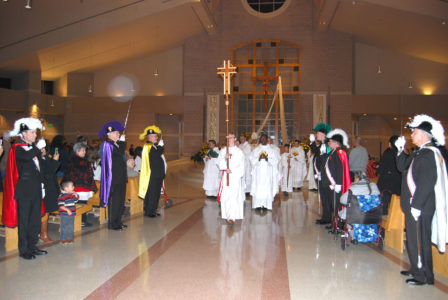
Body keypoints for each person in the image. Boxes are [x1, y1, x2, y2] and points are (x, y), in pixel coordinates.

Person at [396, 114, 448, 286]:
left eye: (415, 132)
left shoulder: (428, 154)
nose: (411, 135)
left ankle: (425, 276)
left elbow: (427, 181)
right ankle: (415, 269)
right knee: (413, 238)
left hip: (421, 206)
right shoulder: (419, 152)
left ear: (424, 134)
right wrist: (399, 150)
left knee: (421, 240)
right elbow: (402, 167)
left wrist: (416, 206)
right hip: (414, 204)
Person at [2, 117, 47, 259]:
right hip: (24, 190)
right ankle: (24, 249)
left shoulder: (33, 148)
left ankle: (32, 246)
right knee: (24, 220)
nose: (35, 135)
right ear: (24, 134)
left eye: (35, 132)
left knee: (35, 219)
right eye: (32, 132)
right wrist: (38, 149)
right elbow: (27, 157)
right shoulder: (18, 149)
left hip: (35, 188)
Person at [99, 121, 128, 231]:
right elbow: (119, 152)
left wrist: (121, 142)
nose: (118, 135)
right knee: (114, 202)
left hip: (120, 178)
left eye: (118, 133)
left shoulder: (115, 144)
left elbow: (120, 154)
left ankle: (118, 222)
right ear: (109, 134)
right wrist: (123, 143)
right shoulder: (107, 145)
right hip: (113, 179)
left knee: (120, 201)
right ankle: (112, 224)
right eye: (116, 133)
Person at [322, 129, 351, 229]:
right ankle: (335, 223)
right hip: (332, 183)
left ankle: (338, 224)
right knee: (333, 203)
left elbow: (340, 169)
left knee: (336, 204)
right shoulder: (334, 152)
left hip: (337, 184)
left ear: (335, 143)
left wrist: (338, 183)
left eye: (330, 141)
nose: (329, 143)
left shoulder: (340, 152)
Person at [63, 142, 98, 227]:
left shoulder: (71, 160)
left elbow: (67, 174)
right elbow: (88, 175)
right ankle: (82, 221)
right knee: (82, 205)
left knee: (75, 205)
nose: (84, 152)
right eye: (83, 151)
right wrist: (92, 186)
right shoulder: (85, 162)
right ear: (77, 151)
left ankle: (76, 221)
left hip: (73, 187)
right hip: (82, 187)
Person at [338, 170, 380, 239]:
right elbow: (377, 198)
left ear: (357, 178)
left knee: (345, 212)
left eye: (354, 178)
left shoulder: (353, 188)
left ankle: (354, 234)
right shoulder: (373, 185)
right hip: (372, 214)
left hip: (355, 216)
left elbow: (342, 200)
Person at [138, 125, 167, 218]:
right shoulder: (148, 146)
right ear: (149, 137)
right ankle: (149, 211)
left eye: (156, 136)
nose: (157, 137)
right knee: (152, 193)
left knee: (156, 193)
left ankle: (153, 209)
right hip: (152, 175)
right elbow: (156, 155)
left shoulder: (153, 146)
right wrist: (161, 147)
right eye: (155, 136)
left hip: (157, 174)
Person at [217, 133, 245, 224]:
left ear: (235, 139)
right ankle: (226, 214)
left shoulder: (239, 152)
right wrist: (225, 160)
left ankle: (232, 217)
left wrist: (232, 170)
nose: (229, 139)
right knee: (226, 196)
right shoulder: (223, 150)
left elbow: (241, 166)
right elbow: (219, 163)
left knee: (233, 196)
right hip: (226, 176)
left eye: (231, 137)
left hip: (235, 177)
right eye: (228, 137)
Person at [310, 122, 332, 225]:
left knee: (326, 197)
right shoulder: (323, 144)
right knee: (323, 197)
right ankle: (325, 217)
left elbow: (326, 160)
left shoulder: (327, 145)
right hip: (320, 175)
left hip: (325, 176)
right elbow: (315, 151)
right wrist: (312, 142)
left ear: (323, 135)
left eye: (318, 134)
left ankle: (327, 218)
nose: (316, 135)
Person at [250, 133, 279, 211]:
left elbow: (276, 161)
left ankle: (266, 205)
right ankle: (258, 204)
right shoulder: (256, 150)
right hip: (258, 173)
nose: (262, 140)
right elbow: (252, 160)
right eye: (261, 138)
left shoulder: (271, 150)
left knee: (267, 187)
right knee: (258, 188)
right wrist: (258, 158)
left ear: (267, 140)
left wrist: (267, 159)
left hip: (267, 172)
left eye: (264, 138)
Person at [40, 144, 60, 242]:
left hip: (50, 187)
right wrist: (55, 161)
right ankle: (43, 233)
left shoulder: (45, 158)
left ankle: (42, 233)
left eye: (44, 148)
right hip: (44, 188)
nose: (43, 150)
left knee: (46, 210)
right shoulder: (37, 160)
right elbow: (48, 172)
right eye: (41, 148)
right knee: (45, 210)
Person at [377, 135, 402, 214]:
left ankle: (384, 219)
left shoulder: (388, 152)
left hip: (387, 181)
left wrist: (379, 170)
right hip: (398, 181)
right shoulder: (402, 153)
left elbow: (382, 167)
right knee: (395, 202)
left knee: (384, 202)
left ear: (390, 144)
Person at [57, 179, 79, 244]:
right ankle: (63, 238)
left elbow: (75, 201)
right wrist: (67, 210)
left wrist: (76, 195)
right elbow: (61, 205)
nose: (73, 187)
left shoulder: (71, 195)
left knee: (70, 226)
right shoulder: (62, 196)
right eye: (72, 186)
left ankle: (70, 238)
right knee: (64, 226)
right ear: (66, 188)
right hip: (64, 214)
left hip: (71, 214)